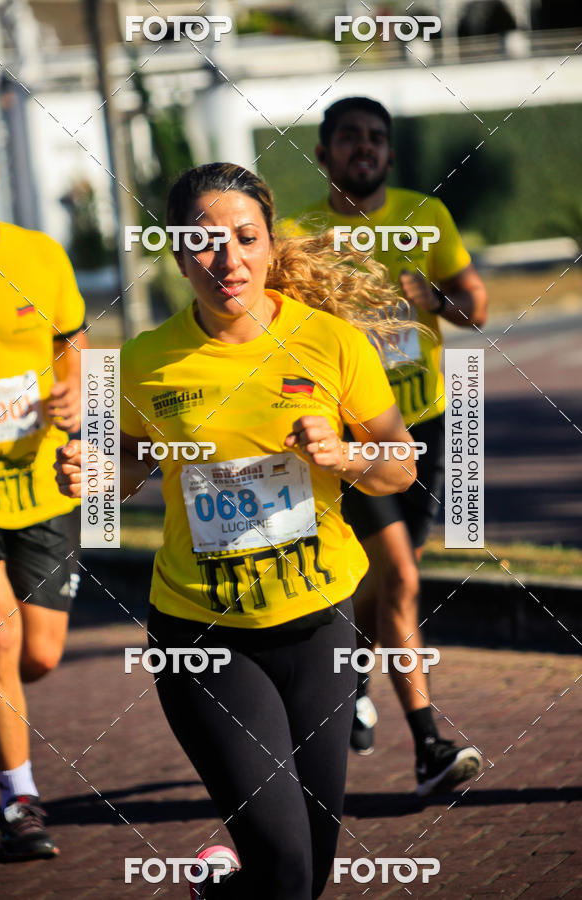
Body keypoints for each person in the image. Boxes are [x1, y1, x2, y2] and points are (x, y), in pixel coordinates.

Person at [56, 162, 420, 899]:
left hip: (319, 625)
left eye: (245, 238)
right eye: (204, 242)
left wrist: (344, 454)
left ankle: (216, 891)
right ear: (177, 250)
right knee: (284, 865)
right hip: (203, 635)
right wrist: (102, 477)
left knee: (308, 871)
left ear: (269, 241)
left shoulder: (329, 343)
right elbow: (128, 465)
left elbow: (401, 465)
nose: (228, 261)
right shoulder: (146, 360)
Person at [290, 97, 488, 795]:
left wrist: (433, 297)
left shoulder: (424, 217)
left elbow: (477, 307)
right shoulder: (298, 235)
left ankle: (350, 680)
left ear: (392, 154)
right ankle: (430, 747)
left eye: (376, 138)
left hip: (427, 425)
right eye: (348, 138)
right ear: (323, 153)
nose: (363, 148)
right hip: (353, 439)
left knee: (385, 584)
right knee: (401, 578)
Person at [0, 120, 86, 857]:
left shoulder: (38, 257)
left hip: (43, 479)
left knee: (40, 654)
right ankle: (21, 801)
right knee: (0, 633)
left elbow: (71, 345)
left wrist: (74, 395)